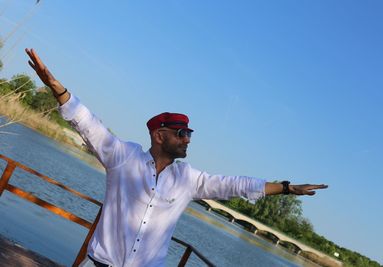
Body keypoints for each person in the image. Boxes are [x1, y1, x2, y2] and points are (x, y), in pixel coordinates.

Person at [25, 48, 328, 267]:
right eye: (181, 133)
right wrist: (57, 88)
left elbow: (234, 185)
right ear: (159, 136)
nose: (187, 139)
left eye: (189, 134)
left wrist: (287, 188)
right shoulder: (123, 157)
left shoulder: (188, 180)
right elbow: (88, 124)